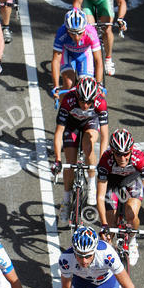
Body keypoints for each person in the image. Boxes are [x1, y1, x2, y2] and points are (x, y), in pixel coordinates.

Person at [96, 128, 144, 266]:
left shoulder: (140, 159)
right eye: (118, 154)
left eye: (126, 154)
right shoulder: (105, 160)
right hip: (112, 182)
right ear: (112, 152)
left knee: (131, 215)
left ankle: (132, 240)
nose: (123, 158)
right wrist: (104, 224)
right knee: (110, 221)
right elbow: (100, 197)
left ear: (131, 151)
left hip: (132, 180)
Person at [51, 76, 108, 220]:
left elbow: (105, 136)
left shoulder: (100, 102)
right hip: (72, 125)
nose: (85, 105)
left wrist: (102, 160)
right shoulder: (68, 99)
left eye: (89, 102)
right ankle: (66, 199)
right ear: (77, 95)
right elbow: (58, 133)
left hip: (91, 123)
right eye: (82, 101)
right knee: (69, 162)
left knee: (88, 144)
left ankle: (91, 184)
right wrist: (57, 159)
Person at [72, 0, 127, 77]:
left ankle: (108, 59)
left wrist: (121, 19)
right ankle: (88, 57)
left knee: (107, 29)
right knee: (89, 29)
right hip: (88, 1)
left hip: (104, 0)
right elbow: (77, 3)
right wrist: (77, 19)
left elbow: (121, 2)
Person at [51, 8, 103, 98]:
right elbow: (55, 61)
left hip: (84, 55)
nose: (76, 37)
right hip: (67, 53)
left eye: (80, 33)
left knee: (87, 87)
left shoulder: (91, 32)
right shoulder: (61, 32)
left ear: (84, 28)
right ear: (67, 30)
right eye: (72, 33)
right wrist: (56, 86)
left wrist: (98, 84)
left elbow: (98, 60)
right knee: (68, 83)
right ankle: (63, 109)